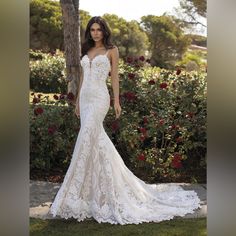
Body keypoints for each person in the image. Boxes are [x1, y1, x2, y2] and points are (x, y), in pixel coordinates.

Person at [49, 16, 201, 225]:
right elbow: (83, 77)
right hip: (85, 100)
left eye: (98, 29)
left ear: (104, 31)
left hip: (101, 99)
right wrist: (76, 101)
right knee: (93, 141)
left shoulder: (112, 50)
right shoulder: (86, 49)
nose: (95, 33)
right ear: (89, 32)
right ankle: (92, 194)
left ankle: (78, 194)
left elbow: (114, 78)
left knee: (86, 138)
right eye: (92, 30)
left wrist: (116, 101)